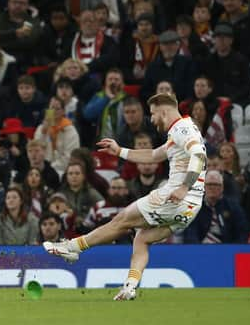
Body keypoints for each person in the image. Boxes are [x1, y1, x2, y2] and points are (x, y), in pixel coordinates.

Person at [44, 93, 207, 301]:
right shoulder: (181, 131)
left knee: (121, 221)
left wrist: (184, 187)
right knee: (142, 238)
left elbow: (199, 154)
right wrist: (119, 151)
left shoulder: (181, 128)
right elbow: (154, 155)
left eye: (153, 114)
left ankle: (72, 248)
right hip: (191, 207)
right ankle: (130, 287)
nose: (152, 119)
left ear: (163, 111)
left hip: (175, 197)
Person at [183, 171, 248, 243]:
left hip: (226, 249)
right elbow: (190, 232)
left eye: (216, 184)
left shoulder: (233, 207)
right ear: (204, 187)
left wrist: (232, 250)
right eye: (209, 184)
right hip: (200, 248)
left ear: (222, 188)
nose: (212, 187)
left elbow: (242, 232)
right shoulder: (194, 207)